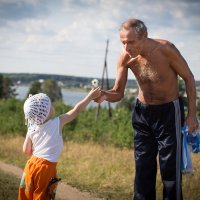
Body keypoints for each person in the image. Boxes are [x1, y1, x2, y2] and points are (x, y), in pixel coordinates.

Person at [95, 19, 198, 200]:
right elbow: (118, 92)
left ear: (144, 37)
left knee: (169, 167)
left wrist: (191, 115)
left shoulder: (166, 50)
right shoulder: (125, 58)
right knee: (142, 165)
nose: (126, 47)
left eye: (131, 41)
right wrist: (103, 95)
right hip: (142, 113)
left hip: (168, 112)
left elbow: (189, 78)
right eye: (123, 42)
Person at [18, 88, 101, 200]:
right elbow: (76, 110)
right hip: (46, 168)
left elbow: (26, 151)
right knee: (43, 196)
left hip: (31, 165)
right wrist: (90, 97)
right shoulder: (57, 122)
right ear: (46, 111)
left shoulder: (31, 128)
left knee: (26, 195)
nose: (53, 105)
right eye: (50, 104)